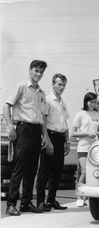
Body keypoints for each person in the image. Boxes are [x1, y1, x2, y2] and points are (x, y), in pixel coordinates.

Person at [3, 60, 53, 216]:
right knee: (19, 168)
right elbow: (6, 106)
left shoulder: (41, 93)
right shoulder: (21, 86)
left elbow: (43, 118)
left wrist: (45, 136)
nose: (38, 74)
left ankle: (25, 203)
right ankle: (11, 204)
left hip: (36, 131)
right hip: (23, 129)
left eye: (41, 72)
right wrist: (10, 126)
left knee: (32, 169)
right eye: (36, 71)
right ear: (30, 70)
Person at [36, 73, 70, 211]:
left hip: (60, 137)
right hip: (50, 136)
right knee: (44, 171)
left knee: (57, 171)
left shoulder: (62, 102)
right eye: (59, 84)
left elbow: (65, 122)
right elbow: (42, 120)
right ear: (53, 84)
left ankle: (51, 200)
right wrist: (46, 140)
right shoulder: (47, 99)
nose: (61, 87)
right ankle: (40, 202)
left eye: (63, 85)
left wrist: (67, 141)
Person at [71, 92, 99, 207]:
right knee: (84, 172)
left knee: (93, 174)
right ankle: (80, 197)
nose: (93, 104)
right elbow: (73, 133)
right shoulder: (80, 114)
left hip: (95, 149)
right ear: (86, 102)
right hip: (83, 147)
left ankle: (87, 196)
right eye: (91, 102)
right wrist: (86, 134)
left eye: (95, 102)